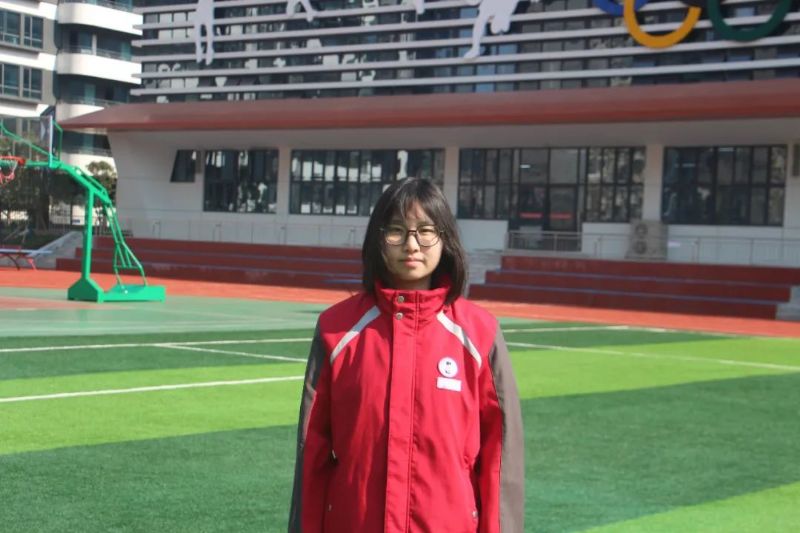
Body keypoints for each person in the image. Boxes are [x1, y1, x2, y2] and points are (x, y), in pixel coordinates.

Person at [288, 178, 524, 533]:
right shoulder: (336, 330)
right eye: (397, 231)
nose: (411, 244)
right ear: (378, 238)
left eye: (426, 231)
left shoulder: (480, 334)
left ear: (445, 239)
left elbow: (501, 457)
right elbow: (312, 452)